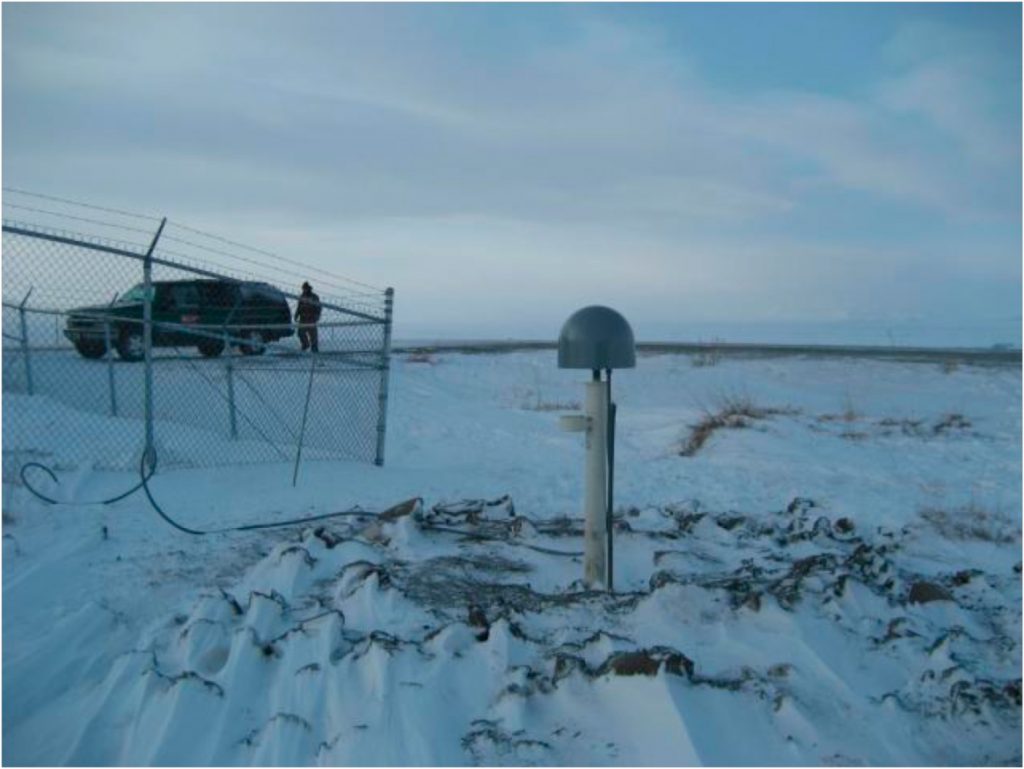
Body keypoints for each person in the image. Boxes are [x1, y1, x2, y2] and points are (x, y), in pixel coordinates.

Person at [295, 281, 322, 352]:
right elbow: (299, 307)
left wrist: (317, 316)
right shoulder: (302, 297)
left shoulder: (314, 297)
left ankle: (314, 348)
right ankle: (305, 344)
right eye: (303, 288)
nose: (304, 290)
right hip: (303, 318)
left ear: (308, 288)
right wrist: (296, 315)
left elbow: (318, 307)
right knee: (300, 333)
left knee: (313, 335)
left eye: (305, 288)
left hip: (311, 318)